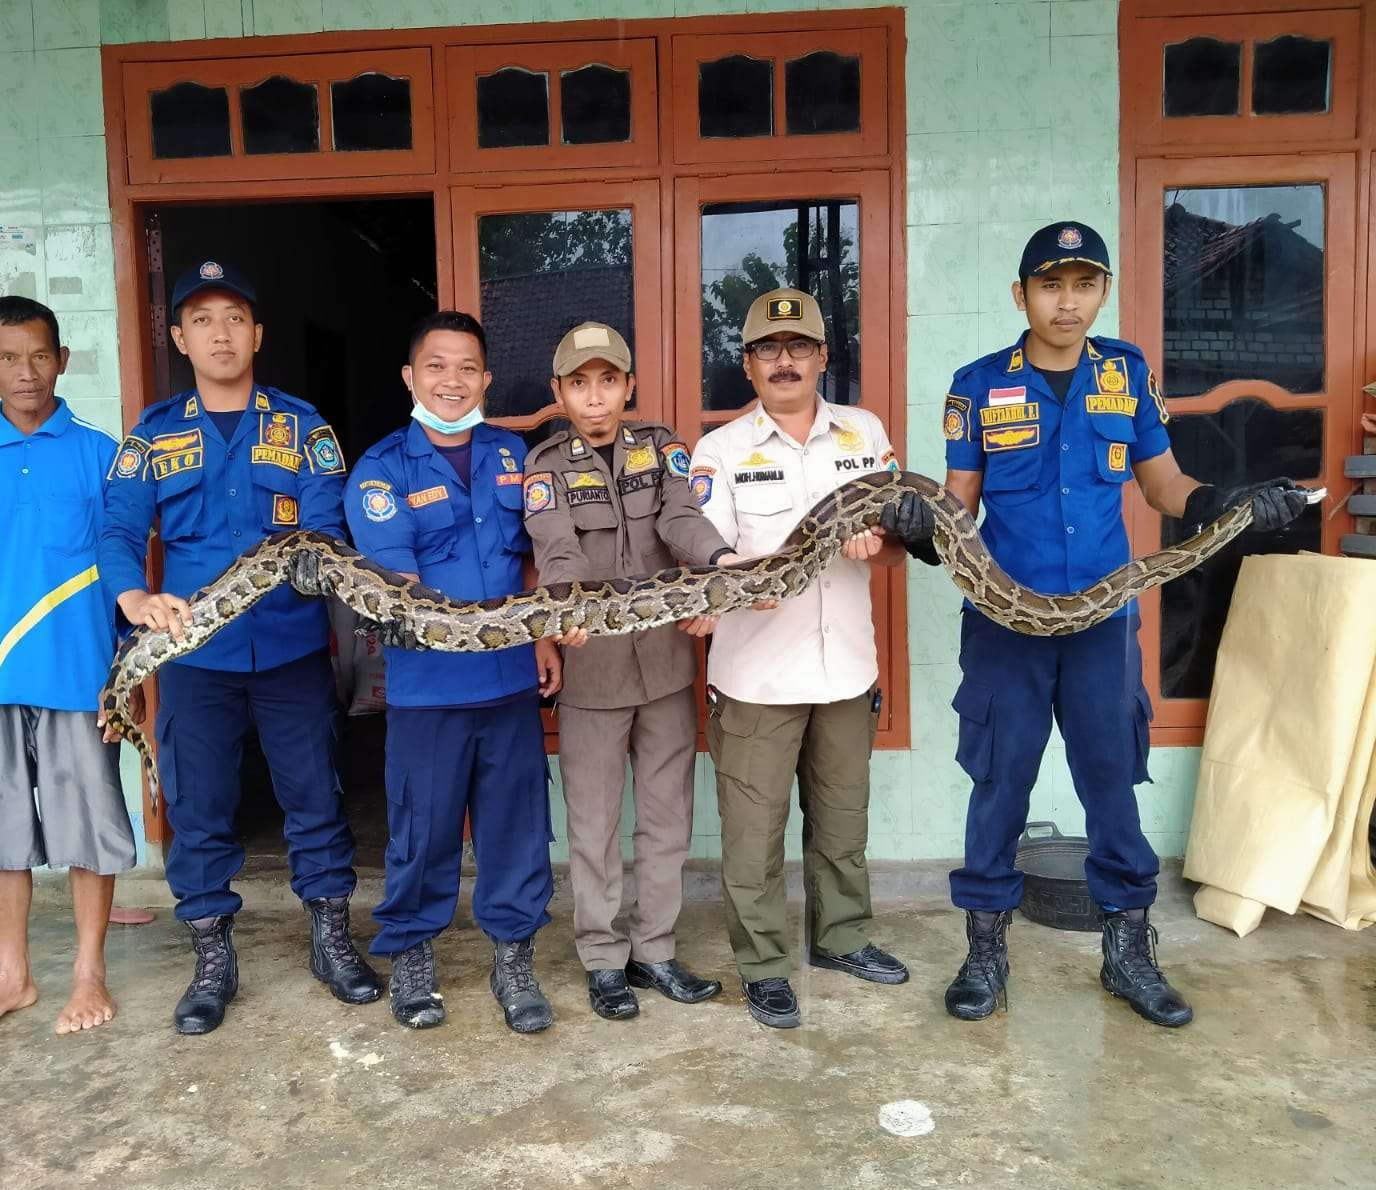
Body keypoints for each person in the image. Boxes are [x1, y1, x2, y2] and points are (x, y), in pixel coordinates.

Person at [898, 221, 1310, 1028]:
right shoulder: (978, 384)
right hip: (1005, 625)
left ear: (1103, 291)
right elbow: (958, 504)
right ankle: (986, 950)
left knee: (1111, 787)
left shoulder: (1125, 373)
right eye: (1051, 285)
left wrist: (1223, 503)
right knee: (998, 785)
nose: (1068, 300)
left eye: (1084, 284)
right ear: (1022, 296)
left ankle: (1127, 951)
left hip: (1102, 625)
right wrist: (921, 528)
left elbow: (1162, 485)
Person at [98, 261, 379, 1035]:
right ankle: (212, 956)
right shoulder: (153, 435)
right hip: (191, 659)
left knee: (315, 797)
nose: (220, 332)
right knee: (200, 807)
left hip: (288, 648)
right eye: (203, 319)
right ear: (180, 336)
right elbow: (118, 530)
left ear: (256, 334)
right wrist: (133, 595)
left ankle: (330, 937)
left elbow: (325, 530)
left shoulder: (304, 428)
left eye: (234, 318)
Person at [689, 288, 910, 1030]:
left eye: (799, 347)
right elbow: (702, 554)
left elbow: (904, 544)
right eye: (766, 350)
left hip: (846, 669)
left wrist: (880, 544)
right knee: (753, 838)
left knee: (844, 823)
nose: (784, 361)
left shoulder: (865, 433)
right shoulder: (719, 451)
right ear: (747, 365)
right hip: (755, 676)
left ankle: (843, 938)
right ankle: (763, 965)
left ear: (822, 357)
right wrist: (721, 585)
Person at [0, 295, 137, 1040]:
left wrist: (127, 678)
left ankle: (88, 972)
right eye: (8, 357)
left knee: (89, 829)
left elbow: (126, 569)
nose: (26, 372)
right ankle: (11, 977)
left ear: (63, 360)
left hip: (83, 674)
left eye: (40, 355)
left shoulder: (102, 452)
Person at [345, 310, 562, 1035]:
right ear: (411, 377)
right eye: (436, 365)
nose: (452, 380)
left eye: (467, 367)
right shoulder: (381, 471)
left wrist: (543, 639)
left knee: (516, 828)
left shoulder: (515, 457)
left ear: (487, 379)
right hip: (428, 689)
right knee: (423, 829)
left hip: (508, 683)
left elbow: (533, 556)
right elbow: (400, 589)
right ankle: (411, 955)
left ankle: (513, 958)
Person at [523, 321, 731, 1020]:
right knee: (595, 825)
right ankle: (604, 959)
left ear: (627, 386)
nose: (595, 397)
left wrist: (720, 563)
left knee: (668, 820)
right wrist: (565, 606)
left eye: (607, 381)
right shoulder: (546, 466)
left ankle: (657, 952)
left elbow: (682, 520)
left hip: (667, 666)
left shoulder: (662, 449)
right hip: (593, 674)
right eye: (579, 384)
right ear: (559, 393)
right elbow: (556, 551)